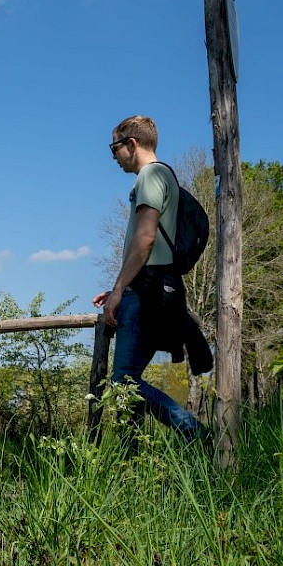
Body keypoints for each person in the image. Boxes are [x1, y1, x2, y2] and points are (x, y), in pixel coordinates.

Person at [92, 116, 205, 443]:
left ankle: (193, 432)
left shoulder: (151, 177)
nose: (113, 156)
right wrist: (117, 287)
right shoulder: (160, 177)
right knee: (126, 382)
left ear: (131, 144)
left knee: (123, 381)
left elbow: (145, 240)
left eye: (113, 148)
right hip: (147, 286)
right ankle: (132, 458)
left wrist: (119, 291)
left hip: (146, 292)